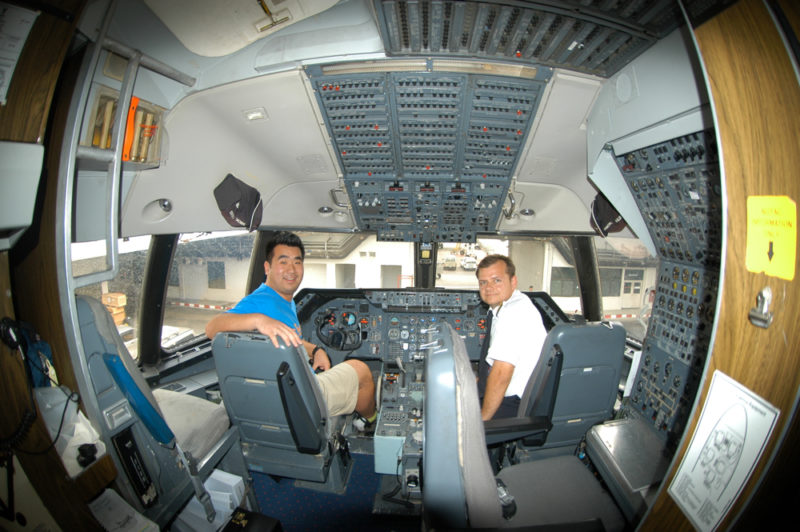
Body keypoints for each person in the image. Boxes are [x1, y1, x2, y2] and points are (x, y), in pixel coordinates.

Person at [205, 231, 377, 431]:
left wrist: (315, 350)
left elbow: (282, 337)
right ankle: (369, 423)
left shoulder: (282, 299)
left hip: (284, 390)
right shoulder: (260, 302)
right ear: (267, 267)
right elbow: (211, 328)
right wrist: (259, 320)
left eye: (297, 262)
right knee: (361, 371)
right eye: (283, 262)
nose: (291, 270)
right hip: (299, 400)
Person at [476, 254, 547, 421]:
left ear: (513, 281)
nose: (489, 287)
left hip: (515, 405)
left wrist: (481, 422)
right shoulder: (508, 306)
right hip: (520, 399)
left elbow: (501, 373)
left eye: (497, 280)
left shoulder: (513, 313)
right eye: (483, 282)